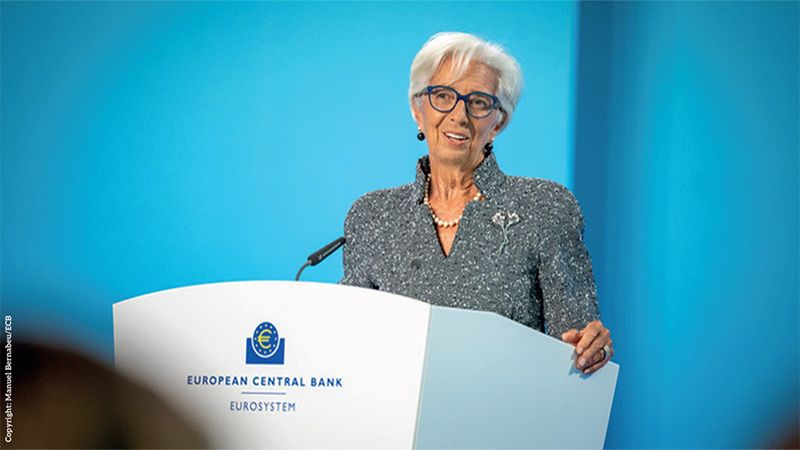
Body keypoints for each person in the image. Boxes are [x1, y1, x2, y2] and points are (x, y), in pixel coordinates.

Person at [340, 32, 613, 375]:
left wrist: (592, 350)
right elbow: (349, 345)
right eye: (442, 95)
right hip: (391, 422)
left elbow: (577, 345)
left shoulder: (545, 208)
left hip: (505, 417)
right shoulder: (372, 216)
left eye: (479, 102)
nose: (459, 115)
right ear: (417, 108)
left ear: (499, 121)